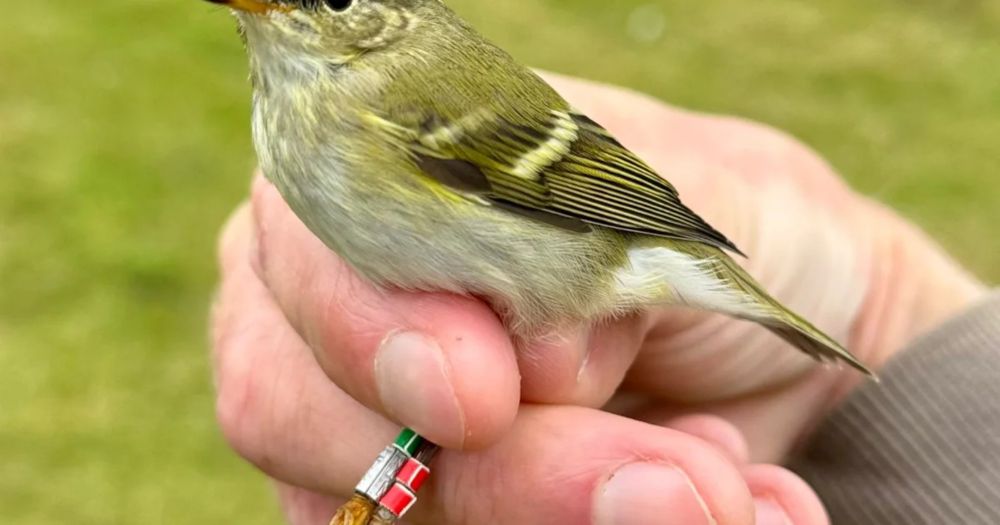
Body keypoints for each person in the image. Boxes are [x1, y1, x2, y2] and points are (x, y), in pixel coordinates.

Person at [210, 74, 996, 525]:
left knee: (475, 375)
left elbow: (572, 168)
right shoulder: (304, 121)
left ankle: (381, 491)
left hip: (594, 240)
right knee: (456, 378)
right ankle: (382, 488)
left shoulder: (397, 102)